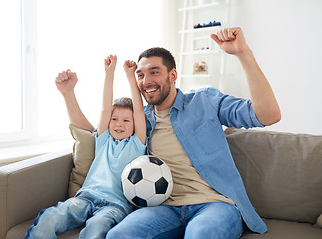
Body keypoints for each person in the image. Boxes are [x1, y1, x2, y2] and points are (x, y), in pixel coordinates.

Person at [106, 27, 281, 239]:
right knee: (119, 235)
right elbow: (97, 133)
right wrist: (68, 94)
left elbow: (268, 115)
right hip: (165, 208)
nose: (146, 81)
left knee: (200, 235)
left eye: (154, 72)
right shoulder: (139, 120)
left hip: (214, 205)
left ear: (173, 75)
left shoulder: (204, 101)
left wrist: (243, 53)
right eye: (140, 75)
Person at [25, 55, 147, 239]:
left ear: (135, 124)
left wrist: (130, 76)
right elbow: (105, 108)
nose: (118, 124)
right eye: (114, 119)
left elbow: (138, 111)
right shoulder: (103, 139)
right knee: (50, 217)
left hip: (115, 206)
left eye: (125, 120)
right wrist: (109, 73)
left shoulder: (137, 145)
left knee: (96, 228)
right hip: (85, 198)